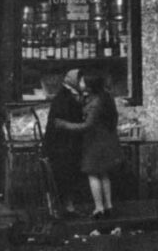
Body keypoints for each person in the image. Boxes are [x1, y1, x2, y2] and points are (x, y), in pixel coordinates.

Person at [57, 72, 122, 219]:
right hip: (106, 139)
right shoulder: (105, 97)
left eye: (83, 82)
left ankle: (99, 208)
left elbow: (87, 125)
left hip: (94, 142)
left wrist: (64, 124)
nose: (80, 84)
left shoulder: (95, 103)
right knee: (104, 173)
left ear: (90, 86)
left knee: (93, 174)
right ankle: (108, 206)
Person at [43, 68, 84, 217]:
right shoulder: (64, 97)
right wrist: (80, 127)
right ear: (74, 81)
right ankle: (65, 208)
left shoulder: (73, 95)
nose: (83, 83)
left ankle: (67, 207)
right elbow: (59, 122)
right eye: (81, 80)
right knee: (63, 175)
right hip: (61, 145)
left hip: (67, 143)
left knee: (68, 175)